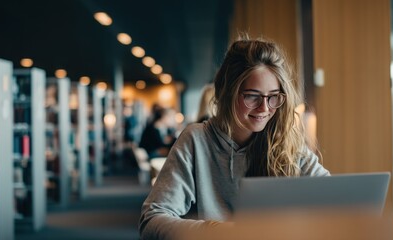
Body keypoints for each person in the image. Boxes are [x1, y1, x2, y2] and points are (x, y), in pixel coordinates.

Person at [139, 36, 330, 240]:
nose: (265, 108)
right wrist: (219, 231)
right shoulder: (196, 140)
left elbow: (334, 197)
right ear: (227, 93)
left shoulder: (285, 140)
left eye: (273, 96)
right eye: (252, 96)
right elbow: (151, 220)